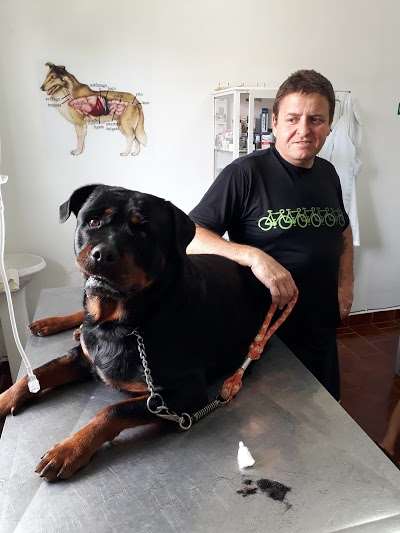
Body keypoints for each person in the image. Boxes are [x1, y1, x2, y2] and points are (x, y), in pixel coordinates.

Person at [187, 70, 354, 401]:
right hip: (266, 332)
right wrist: (254, 256)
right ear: (274, 123)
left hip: (321, 326)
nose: (303, 130)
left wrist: (346, 286)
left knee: (325, 410)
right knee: (273, 421)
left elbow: (343, 230)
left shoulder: (328, 173)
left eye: (316, 120)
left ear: (329, 126)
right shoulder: (245, 173)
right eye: (292, 118)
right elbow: (191, 236)